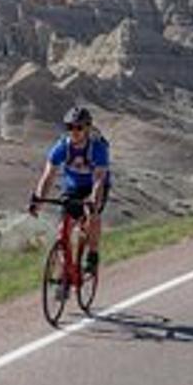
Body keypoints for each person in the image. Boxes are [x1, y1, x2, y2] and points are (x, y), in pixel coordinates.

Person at [30, 106, 112, 273]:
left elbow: (98, 180)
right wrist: (38, 200)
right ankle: (65, 275)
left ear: (87, 128)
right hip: (73, 187)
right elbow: (48, 176)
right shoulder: (62, 147)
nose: (74, 131)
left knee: (92, 216)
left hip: (95, 186)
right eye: (69, 127)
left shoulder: (97, 148)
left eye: (79, 127)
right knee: (62, 233)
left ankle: (93, 255)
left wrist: (92, 202)